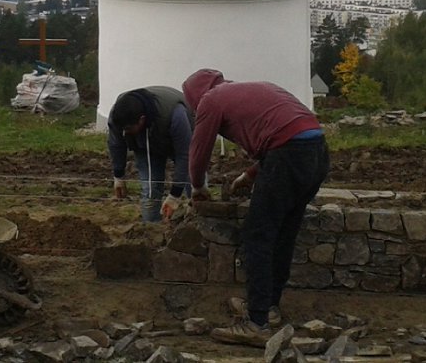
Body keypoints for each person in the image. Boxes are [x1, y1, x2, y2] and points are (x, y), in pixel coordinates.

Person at [181, 68, 329, 347]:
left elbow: (199, 151)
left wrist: (198, 187)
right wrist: (249, 175)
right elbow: (290, 133)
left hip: (288, 156)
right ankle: (268, 307)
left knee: (257, 236)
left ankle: (256, 323)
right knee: (283, 233)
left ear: (194, 97)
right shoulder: (251, 89)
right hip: (317, 152)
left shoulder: (210, 100)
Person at [107, 86, 194, 223]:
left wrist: (174, 195)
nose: (125, 132)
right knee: (150, 188)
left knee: (194, 182)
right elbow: (116, 143)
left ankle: (197, 221)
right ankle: (151, 227)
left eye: (128, 128)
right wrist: (118, 176)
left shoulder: (176, 115)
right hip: (143, 145)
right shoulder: (118, 115)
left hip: (178, 139)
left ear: (141, 119)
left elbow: (185, 155)